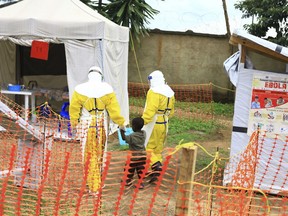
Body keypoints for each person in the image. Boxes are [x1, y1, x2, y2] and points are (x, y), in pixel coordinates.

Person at [69, 66, 126, 195]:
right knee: (99, 154)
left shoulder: (79, 90)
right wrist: (121, 124)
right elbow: (115, 112)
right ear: (100, 75)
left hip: (86, 126)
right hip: (101, 126)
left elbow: (74, 111)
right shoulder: (107, 90)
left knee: (89, 156)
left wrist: (74, 124)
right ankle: (97, 182)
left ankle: (94, 186)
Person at [141, 70, 175, 184]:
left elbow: (151, 110)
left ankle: (156, 165)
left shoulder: (154, 91)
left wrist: (142, 122)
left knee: (146, 147)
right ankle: (156, 174)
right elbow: (172, 112)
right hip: (165, 122)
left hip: (154, 123)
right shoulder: (170, 92)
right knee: (158, 149)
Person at [120, 117, 146, 189]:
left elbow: (124, 138)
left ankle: (127, 181)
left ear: (134, 126)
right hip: (143, 156)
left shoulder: (132, 136)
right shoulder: (144, 133)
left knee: (129, 169)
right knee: (140, 170)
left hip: (134, 157)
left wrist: (121, 130)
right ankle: (141, 184)